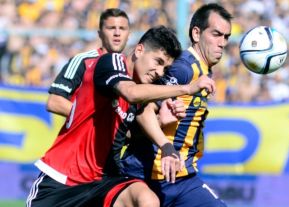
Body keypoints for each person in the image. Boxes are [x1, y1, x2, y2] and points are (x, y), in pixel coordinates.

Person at [26, 25, 215, 207]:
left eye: (165, 69)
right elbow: (130, 93)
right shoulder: (113, 62)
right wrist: (187, 88)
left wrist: (161, 126)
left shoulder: (142, 94)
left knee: (147, 200)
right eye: (158, 62)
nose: (159, 72)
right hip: (62, 178)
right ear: (139, 50)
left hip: (103, 181)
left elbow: (130, 133)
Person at [120, 3, 232, 207]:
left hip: (181, 178)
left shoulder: (202, 69)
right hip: (148, 174)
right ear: (196, 34)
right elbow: (143, 110)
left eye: (226, 37)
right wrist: (166, 145)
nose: (222, 42)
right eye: (216, 34)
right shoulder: (183, 68)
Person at [46, 8, 130, 117]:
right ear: (100, 33)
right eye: (111, 28)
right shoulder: (83, 60)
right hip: (80, 134)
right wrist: (96, 120)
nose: (117, 33)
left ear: (129, 34)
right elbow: (54, 102)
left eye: (122, 28)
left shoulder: (130, 67)